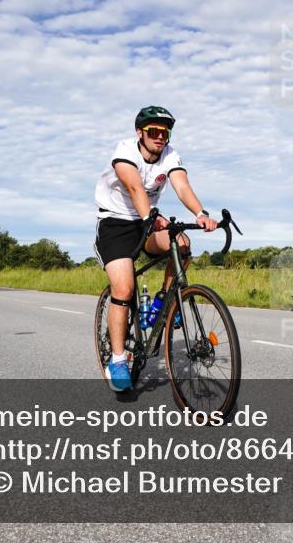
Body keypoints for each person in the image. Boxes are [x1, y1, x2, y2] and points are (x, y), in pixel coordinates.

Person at [93, 106, 218, 391]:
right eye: (154, 131)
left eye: (165, 132)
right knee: (124, 289)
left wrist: (201, 213)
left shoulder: (170, 155)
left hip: (146, 221)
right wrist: (150, 215)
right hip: (115, 224)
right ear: (140, 133)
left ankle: (164, 300)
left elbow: (182, 186)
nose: (160, 136)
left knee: (182, 244)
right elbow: (135, 188)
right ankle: (117, 360)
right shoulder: (125, 150)